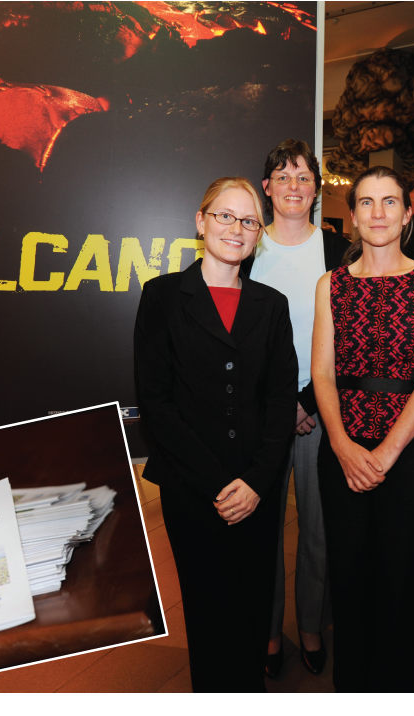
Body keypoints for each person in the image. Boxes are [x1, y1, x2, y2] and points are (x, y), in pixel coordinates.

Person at [134, 177, 298, 693]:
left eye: (248, 221)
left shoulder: (271, 305)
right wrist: (217, 484)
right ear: (200, 222)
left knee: (252, 610)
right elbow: (156, 403)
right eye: (225, 216)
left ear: (258, 235)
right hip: (190, 488)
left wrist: (256, 482)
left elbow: (280, 402)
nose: (236, 228)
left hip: (257, 489)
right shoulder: (162, 296)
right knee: (206, 615)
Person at [311, 165, 414, 692]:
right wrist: (343, 446)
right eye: (366, 203)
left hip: (411, 456)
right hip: (343, 453)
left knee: (404, 585)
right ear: (352, 216)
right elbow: (322, 374)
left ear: (407, 214)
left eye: (389, 202)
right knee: (349, 582)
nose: (378, 213)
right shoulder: (331, 284)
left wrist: (387, 453)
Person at [241, 140, 348, 678]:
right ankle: (266, 632)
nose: (293, 186)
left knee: (319, 527)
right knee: (260, 528)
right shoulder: (245, 246)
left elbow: (350, 334)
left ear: (316, 189)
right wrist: (280, 404)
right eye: (282, 176)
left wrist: (305, 402)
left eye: (304, 177)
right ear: (266, 187)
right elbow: (235, 339)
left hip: (322, 408)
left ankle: (310, 624)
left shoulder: (338, 250)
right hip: (261, 412)